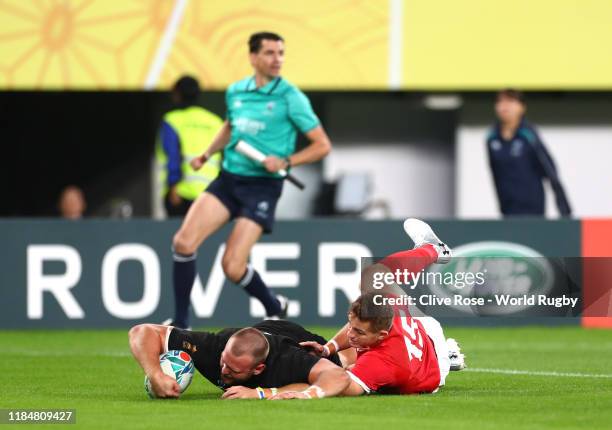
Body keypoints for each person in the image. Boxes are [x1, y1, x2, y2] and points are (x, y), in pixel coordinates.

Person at [165, 32, 332, 327]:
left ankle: (273, 304)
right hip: (229, 179)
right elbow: (231, 127)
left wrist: (286, 161)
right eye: (269, 53)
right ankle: (181, 323)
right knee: (183, 242)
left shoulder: (290, 97)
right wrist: (206, 154)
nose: (277, 59)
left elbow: (322, 145)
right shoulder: (236, 91)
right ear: (253, 57)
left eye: (280, 53)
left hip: (262, 188)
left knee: (232, 266)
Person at [277, 219, 466, 399]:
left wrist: (300, 394)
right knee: (373, 276)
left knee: (342, 367)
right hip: (425, 329)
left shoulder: (383, 361)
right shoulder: (385, 307)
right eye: (351, 326)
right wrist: (328, 349)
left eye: (358, 331)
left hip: (431, 371)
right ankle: (433, 249)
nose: (351, 334)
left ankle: (448, 358)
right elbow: (360, 324)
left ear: (382, 335)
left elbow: (341, 384)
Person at [128, 319, 349, 399]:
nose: (223, 371)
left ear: (258, 369)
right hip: (265, 330)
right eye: (224, 362)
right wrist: (155, 373)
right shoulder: (216, 348)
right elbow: (142, 331)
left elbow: (334, 376)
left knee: (354, 363)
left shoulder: (287, 361)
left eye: (233, 371)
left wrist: (259, 393)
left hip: (297, 339)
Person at [487, 89, 571, 217]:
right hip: (507, 211)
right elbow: (495, 174)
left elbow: (550, 171)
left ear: (522, 107)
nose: (504, 106)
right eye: (500, 101)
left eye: (510, 101)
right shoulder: (492, 138)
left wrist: (565, 211)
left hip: (533, 210)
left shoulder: (528, 135)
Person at [156, 75, 223, 217]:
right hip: (211, 194)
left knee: (182, 238)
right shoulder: (214, 121)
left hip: (182, 194)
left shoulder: (172, 120)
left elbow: (173, 156)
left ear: (177, 94)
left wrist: (173, 188)